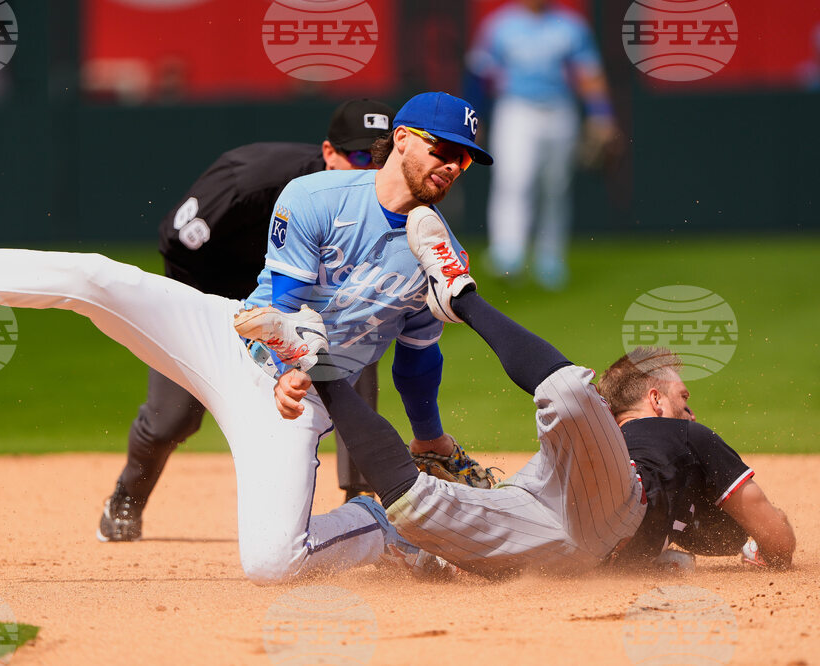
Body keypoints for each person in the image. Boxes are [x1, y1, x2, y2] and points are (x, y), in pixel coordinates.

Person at [0, 90, 493, 585]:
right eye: (443, 148)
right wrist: (271, 342)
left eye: (465, 158)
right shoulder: (306, 192)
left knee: (272, 566)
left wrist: (430, 434)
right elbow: (269, 300)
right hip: (229, 334)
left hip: (292, 407)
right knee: (91, 276)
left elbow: (417, 356)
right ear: (402, 141)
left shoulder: (435, 248)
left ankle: (380, 524)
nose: (454, 165)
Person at [248, 208, 794, 575]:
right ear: (653, 401)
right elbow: (776, 537)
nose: (688, 410)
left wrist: (683, 552)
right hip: (600, 505)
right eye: (681, 399)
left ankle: (314, 362)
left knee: (413, 505)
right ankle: (458, 291)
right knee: (569, 390)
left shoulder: (661, 465)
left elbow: (712, 535)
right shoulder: (679, 435)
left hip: (557, 539)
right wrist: (768, 549)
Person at [99, 98, 397, 543]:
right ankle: (128, 494)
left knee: (356, 359)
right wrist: (213, 312)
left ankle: (361, 504)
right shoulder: (252, 181)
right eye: (358, 156)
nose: (370, 168)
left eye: (382, 157)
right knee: (173, 418)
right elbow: (178, 243)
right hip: (211, 291)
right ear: (328, 152)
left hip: (301, 302)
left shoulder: (386, 199)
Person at [597, 348, 796, 568]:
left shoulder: (601, 444)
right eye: (683, 398)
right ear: (656, 399)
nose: (691, 414)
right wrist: (778, 521)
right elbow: (779, 546)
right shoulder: (686, 434)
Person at [466, 0, 617, 289]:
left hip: (560, 110)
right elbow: (480, 73)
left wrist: (602, 115)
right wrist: (475, 116)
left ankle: (550, 260)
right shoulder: (501, 24)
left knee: (555, 186)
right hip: (516, 109)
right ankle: (507, 254)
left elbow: (589, 73)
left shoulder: (570, 25)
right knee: (514, 179)